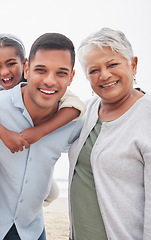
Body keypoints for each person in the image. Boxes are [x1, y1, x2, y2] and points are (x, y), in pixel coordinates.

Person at [0, 33, 84, 240]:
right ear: (27, 68)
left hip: (32, 231)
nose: (49, 81)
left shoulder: (73, 123)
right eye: (41, 70)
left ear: (71, 77)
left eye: (61, 73)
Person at [68, 28, 151, 240]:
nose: (104, 75)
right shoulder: (83, 113)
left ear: (133, 65)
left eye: (112, 64)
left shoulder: (147, 118)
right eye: (94, 70)